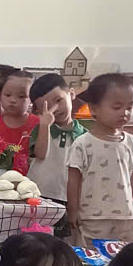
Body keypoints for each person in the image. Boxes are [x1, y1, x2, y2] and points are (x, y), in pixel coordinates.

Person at [66, 73, 133, 247]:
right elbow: (73, 180)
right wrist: (72, 211)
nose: (125, 113)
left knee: (125, 257)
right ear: (94, 109)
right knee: (91, 257)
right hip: (92, 218)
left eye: (130, 107)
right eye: (117, 107)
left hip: (126, 218)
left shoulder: (132, 142)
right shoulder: (83, 143)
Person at [27, 74, 85, 240]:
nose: (55, 109)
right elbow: (40, 154)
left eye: (58, 100)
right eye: (46, 107)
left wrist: (76, 206)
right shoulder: (40, 130)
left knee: (65, 240)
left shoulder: (84, 136)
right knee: (39, 238)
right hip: (39, 196)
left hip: (68, 198)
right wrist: (45, 126)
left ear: (71, 94)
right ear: (37, 111)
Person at [0, 70, 40, 176]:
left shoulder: (38, 124)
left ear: (32, 99)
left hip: (30, 181)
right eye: (8, 95)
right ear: (0, 95)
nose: (13, 100)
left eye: (21, 96)